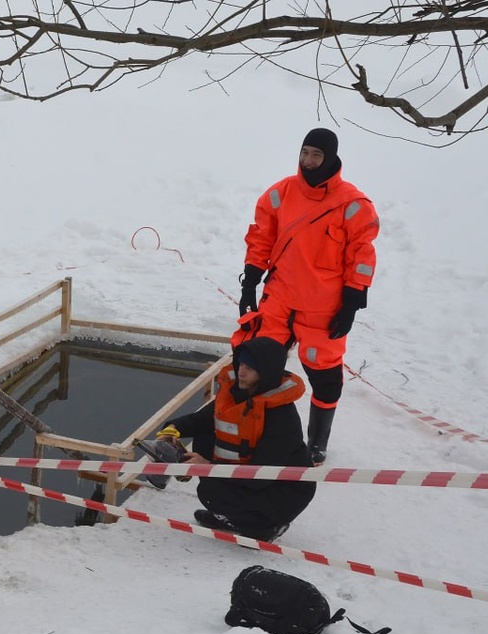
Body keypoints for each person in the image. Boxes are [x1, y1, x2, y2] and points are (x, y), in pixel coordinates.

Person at [235, 127, 379, 465]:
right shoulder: (281, 193)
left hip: (323, 307)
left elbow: (362, 253)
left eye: (316, 155)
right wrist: (250, 281)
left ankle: (316, 442)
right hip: (280, 298)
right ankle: (253, 432)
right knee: (255, 365)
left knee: (325, 377)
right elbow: (260, 236)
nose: (308, 161)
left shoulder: (353, 204)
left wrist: (352, 302)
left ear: (330, 158)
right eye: (305, 152)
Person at [147, 336, 317, 542]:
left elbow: (260, 475)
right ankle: (232, 515)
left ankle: (264, 527)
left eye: (251, 368)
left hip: (282, 491)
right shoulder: (237, 394)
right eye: (242, 364)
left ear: (266, 373)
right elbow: (203, 419)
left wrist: (207, 466)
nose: (241, 372)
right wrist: (173, 429)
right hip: (252, 476)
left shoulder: (281, 418)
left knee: (210, 491)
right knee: (206, 433)